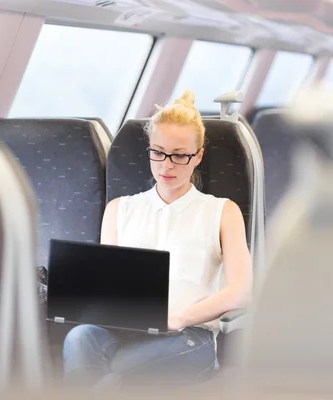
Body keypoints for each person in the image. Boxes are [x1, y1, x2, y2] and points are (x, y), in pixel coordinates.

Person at [62, 89, 253, 387]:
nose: (167, 165)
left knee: (116, 370)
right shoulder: (118, 209)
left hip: (190, 336)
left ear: (198, 155)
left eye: (179, 156)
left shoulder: (222, 212)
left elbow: (241, 291)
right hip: (125, 330)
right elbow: (106, 287)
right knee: (80, 337)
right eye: (158, 152)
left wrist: (180, 318)